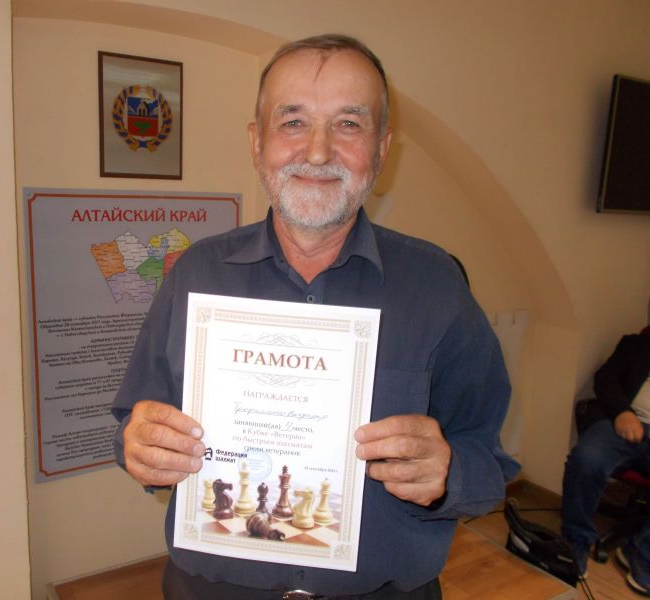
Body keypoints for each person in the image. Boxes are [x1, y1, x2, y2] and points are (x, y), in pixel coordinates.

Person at [112, 33, 519, 600]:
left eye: (349, 124)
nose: (319, 151)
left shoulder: (438, 286)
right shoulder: (195, 274)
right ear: (257, 142)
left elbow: (489, 464)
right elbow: (131, 423)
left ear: (382, 148)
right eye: (293, 121)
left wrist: (449, 471)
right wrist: (139, 445)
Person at [561, 326, 650, 593]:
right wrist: (622, 412)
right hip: (622, 422)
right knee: (586, 460)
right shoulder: (636, 344)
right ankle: (576, 541)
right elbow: (606, 378)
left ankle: (641, 551)